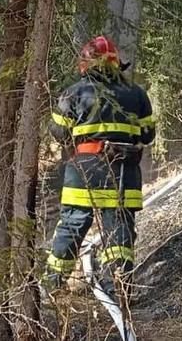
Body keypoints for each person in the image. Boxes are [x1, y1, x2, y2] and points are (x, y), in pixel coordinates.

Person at [42, 35, 156, 301]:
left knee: (72, 225)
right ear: (117, 64)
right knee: (119, 231)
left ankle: (52, 289)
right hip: (123, 172)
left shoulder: (73, 93)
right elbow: (148, 135)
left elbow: (58, 132)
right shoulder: (137, 94)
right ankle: (121, 288)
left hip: (84, 172)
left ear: (85, 64)